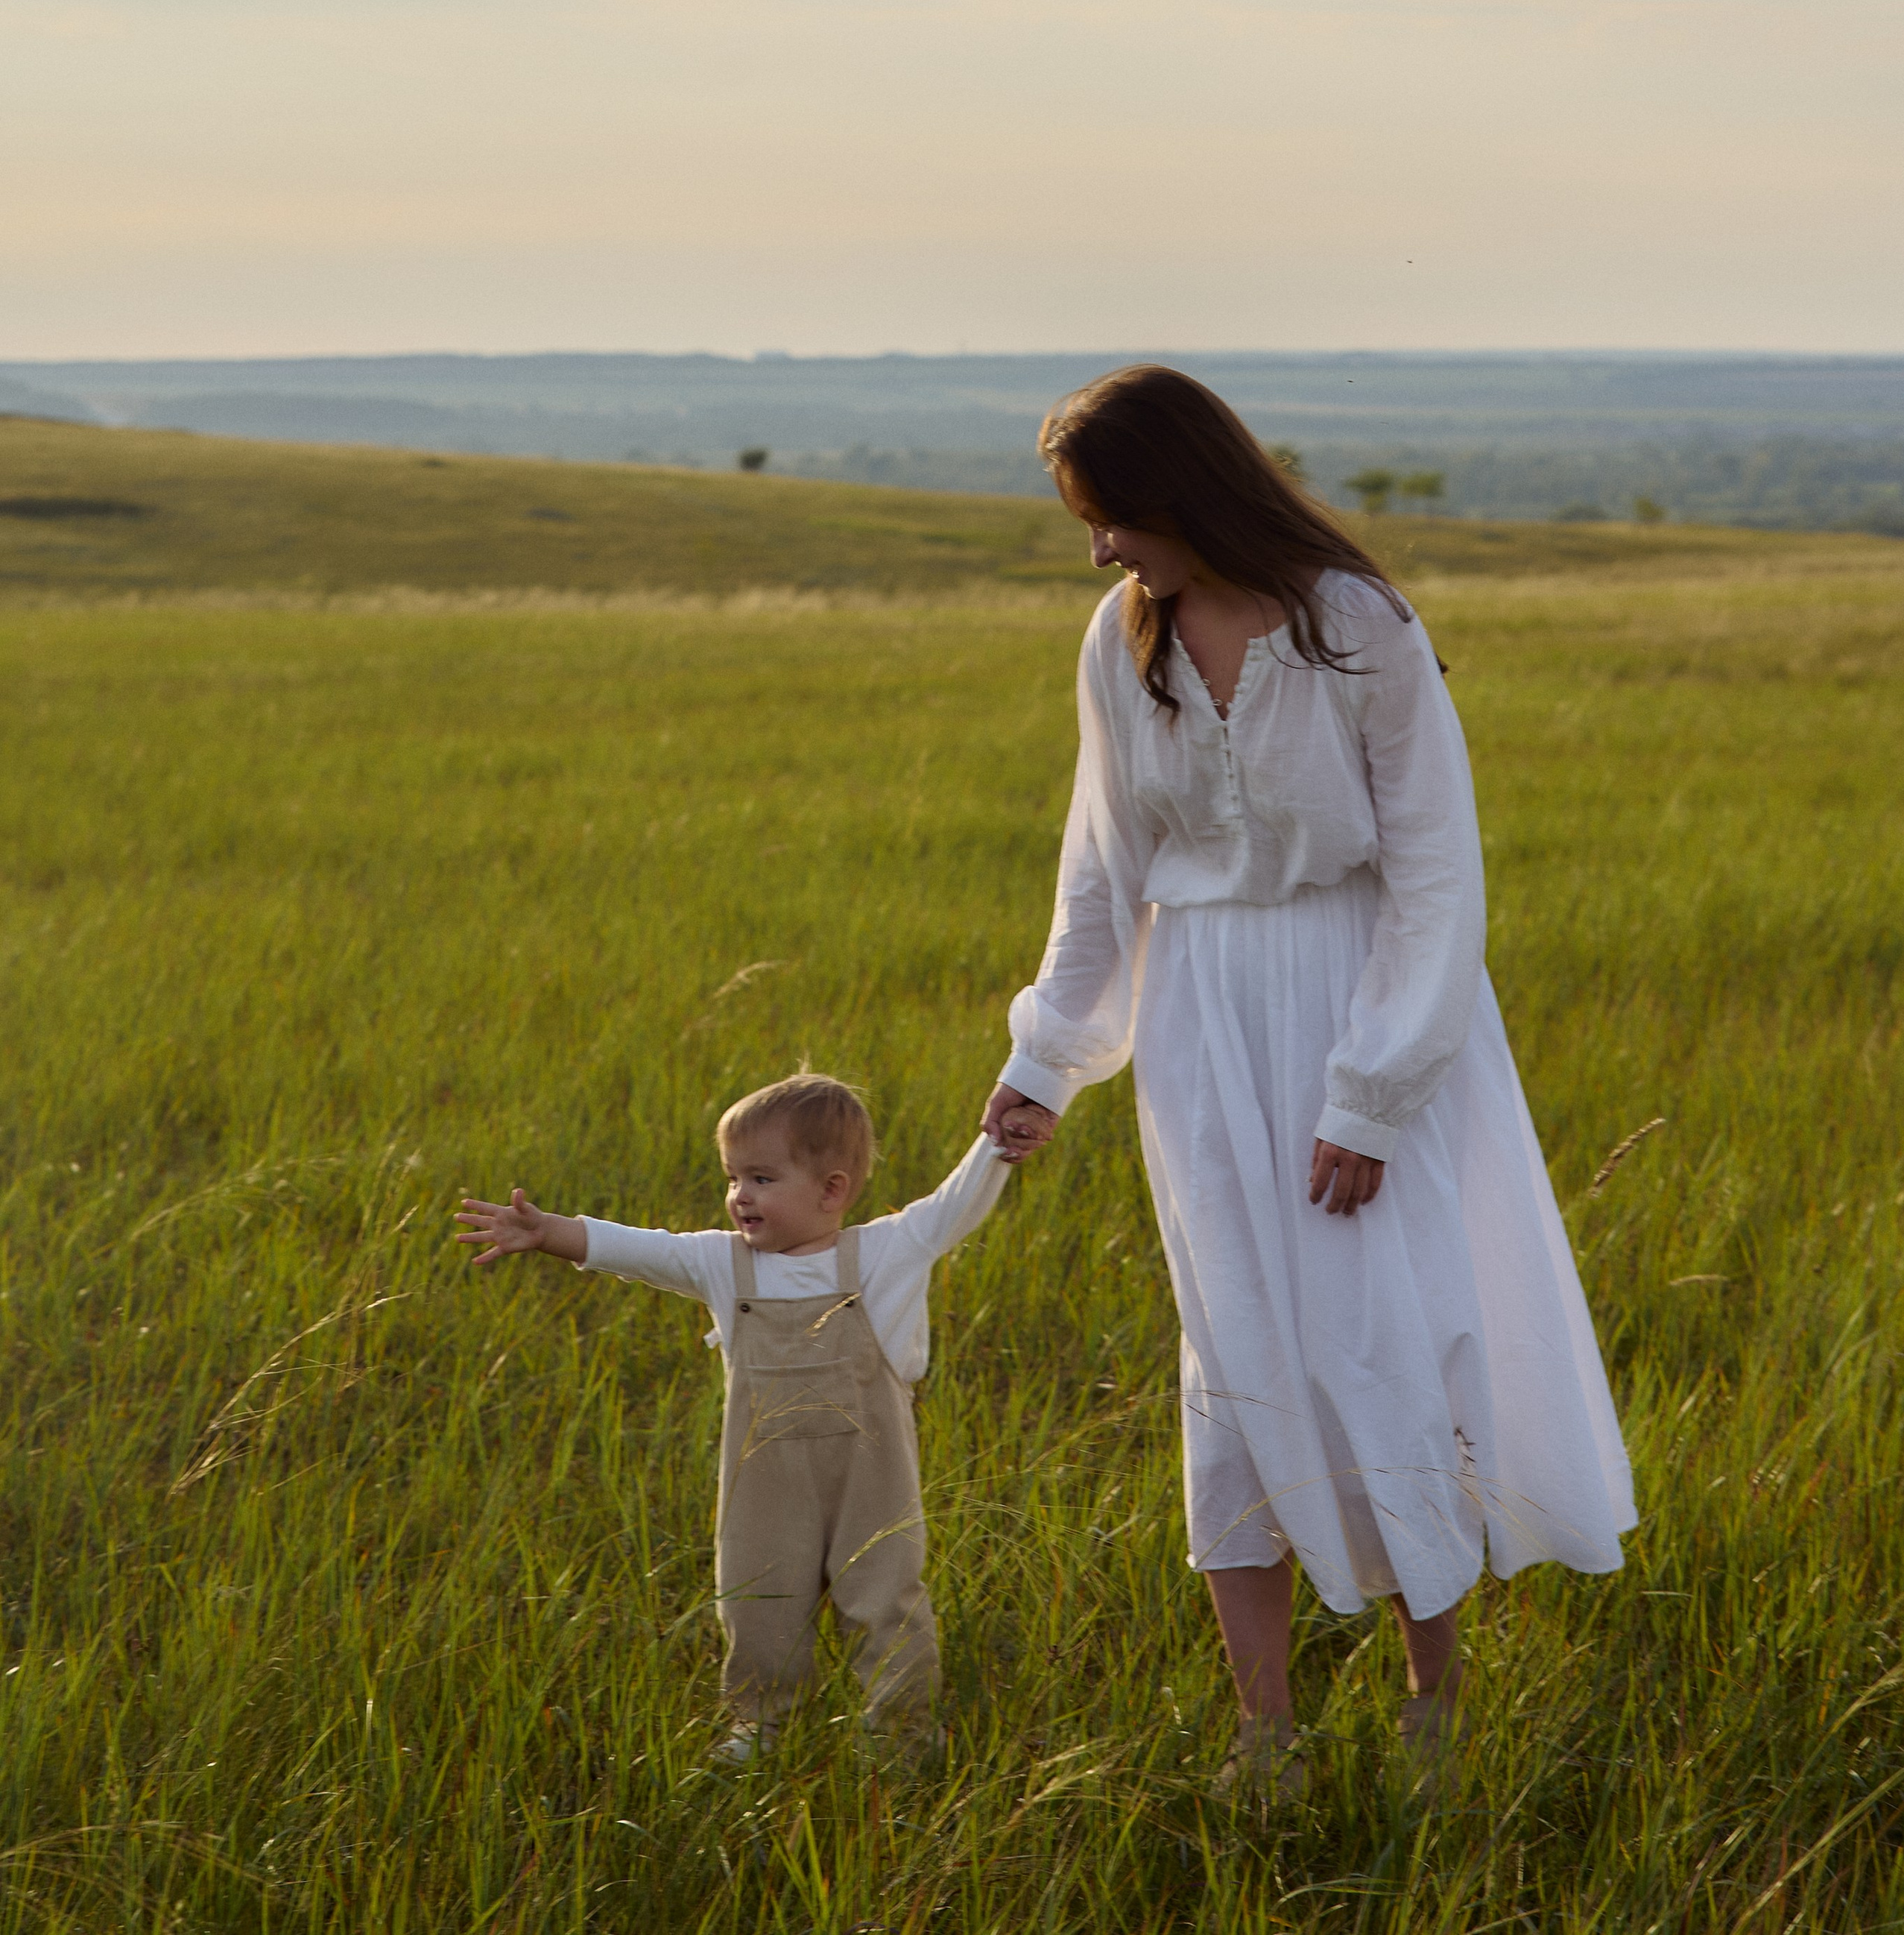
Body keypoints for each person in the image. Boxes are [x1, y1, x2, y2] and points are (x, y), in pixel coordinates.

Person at [981, 367, 1634, 1794]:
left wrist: (1373, 1093)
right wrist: (1047, 1059)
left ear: (1185, 490)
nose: (1097, 548)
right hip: (1201, 1023)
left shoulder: (1359, 624)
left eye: (1108, 516)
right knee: (1233, 1363)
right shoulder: (1122, 637)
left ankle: (1433, 1711)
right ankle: (1264, 1732)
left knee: (1377, 1350)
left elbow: (1434, 876)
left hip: (1360, 1012)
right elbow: (1101, 872)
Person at [455, 1073, 1011, 1758]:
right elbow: (643, 1249)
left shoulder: (885, 1256)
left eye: (762, 1178)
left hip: (872, 1476)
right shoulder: (726, 1265)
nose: (739, 1196)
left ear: (831, 1190)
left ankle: (900, 1734)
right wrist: (548, 1233)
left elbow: (952, 1207)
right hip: (765, 1477)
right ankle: (762, 1723)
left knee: (886, 1597)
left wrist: (999, 1147)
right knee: (757, 1596)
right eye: (732, 1177)